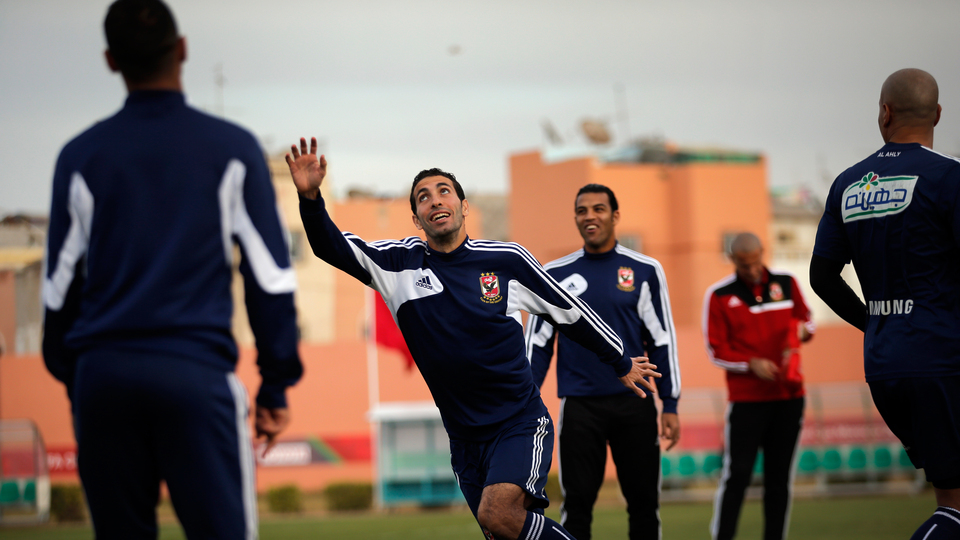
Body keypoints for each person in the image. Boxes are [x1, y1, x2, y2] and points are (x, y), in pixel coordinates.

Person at [286, 138, 659, 540]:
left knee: (498, 514)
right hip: (464, 438)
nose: (435, 200)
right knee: (500, 530)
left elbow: (570, 312)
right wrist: (310, 199)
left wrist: (620, 361)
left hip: (518, 422)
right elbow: (332, 247)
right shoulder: (397, 266)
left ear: (464, 207)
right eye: (423, 198)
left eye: (444, 191)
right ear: (416, 219)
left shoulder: (505, 261)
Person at [41, 1, 303, 537]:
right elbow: (270, 279)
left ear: (111, 61)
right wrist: (275, 387)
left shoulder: (79, 157)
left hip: (102, 380)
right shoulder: (232, 149)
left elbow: (57, 292)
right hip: (194, 376)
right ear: (182, 50)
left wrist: (82, 382)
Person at [810, 68, 960, 540]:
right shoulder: (948, 177)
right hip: (944, 361)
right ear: (937, 113)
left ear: (885, 112)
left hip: (885, 365)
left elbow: (821, 276)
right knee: (954, 509)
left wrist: (875, 323)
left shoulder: (849, 184)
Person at [524, 184, 681, 540]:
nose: (590, 216)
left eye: (598, 209)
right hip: (580, 408)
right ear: (576, 218)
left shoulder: (644, 269)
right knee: (576, 508)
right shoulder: (554, 274)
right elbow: (538, 344)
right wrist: (526, 400)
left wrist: (670, 402)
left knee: (643, 506)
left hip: (635, 403)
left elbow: (661, 340)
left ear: (615, 216)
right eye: (582, 211)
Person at [703, 232, 814, 540]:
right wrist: (751, 363)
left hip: (789, 396)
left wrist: (798, 337)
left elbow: (808, 323)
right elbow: (716, 350)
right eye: (743, 264)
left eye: (754, 262)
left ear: (762, 253)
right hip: (747, 401)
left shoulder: (788, 283)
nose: (751, 270)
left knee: (779, 478)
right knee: (737, 474)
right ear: (733, 260)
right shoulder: (719, 295)